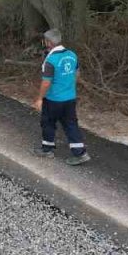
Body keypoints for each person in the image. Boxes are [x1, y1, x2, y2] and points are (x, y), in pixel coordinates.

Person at [31, 29, 90, 165]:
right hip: (70, 98)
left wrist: (40, 98)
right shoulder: (72, 55)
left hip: (54, 99)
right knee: (71, 124)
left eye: (45, 40)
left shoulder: (50, 60)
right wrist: (69, 87)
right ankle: (80, 153)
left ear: (49, 42)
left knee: (48, 122)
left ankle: (47, 150)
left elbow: (46, 82)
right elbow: (77, 74)